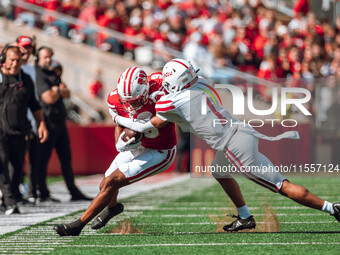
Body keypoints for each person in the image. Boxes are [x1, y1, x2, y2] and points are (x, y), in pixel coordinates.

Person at [110, 58, 340, 228]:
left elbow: (145, 125)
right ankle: (245, 217)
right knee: (219, 172)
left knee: (282, 186)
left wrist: (118, 117)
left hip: (233, 144)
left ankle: (332, 208)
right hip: (239, 132)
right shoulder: (202, 83)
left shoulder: (171, 102)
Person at [53, 67, 254, 236]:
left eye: (136, 100)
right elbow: (117, 119)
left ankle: (78, 225)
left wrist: (137, 130)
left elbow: (158, 121)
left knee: (113, 181)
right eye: (128, 101)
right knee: (104, 184)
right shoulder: (117, 98)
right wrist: (120, 143)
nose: (131, 105)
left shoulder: (163, 90)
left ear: (147, 89)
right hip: (137, 146)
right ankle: (113, 208)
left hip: (160, 151)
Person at [35, 46, 90, 202]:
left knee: (66, 158)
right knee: (42, 159)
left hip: (60, 122)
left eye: (49, 57)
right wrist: (58, 91)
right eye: (45, 57)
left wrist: (56, 90)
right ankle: (42, 193)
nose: (48, 60)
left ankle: (73, 191)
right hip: (47, 122)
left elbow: (67, 93)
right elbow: (48, 98)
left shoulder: (52, 73)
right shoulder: (38, 74)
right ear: (38, 58)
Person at [0, 45, 48, 214]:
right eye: (12, 60)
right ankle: (9, 201)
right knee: (2, 166)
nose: (15, 64)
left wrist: (41, 124)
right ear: (3, 60)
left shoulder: (26, 79)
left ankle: (9, 198)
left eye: (18, 61)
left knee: (17, 167)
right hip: (0, 131)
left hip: (19, 130)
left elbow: (34, 104)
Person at [16, 35, 40, 203]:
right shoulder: (11, 68)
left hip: (29, 119)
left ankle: (27, 190)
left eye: (29, 46)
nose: (26, 50)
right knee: (13, 157)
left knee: (28, 157)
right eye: (23, 46)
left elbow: (34, 97)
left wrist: (36, 121)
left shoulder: (31, 69)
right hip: (14, 119)